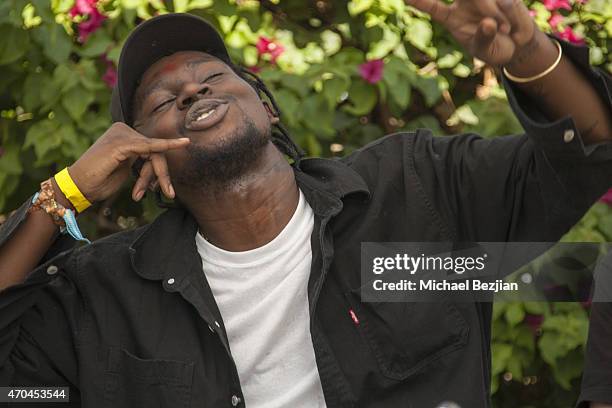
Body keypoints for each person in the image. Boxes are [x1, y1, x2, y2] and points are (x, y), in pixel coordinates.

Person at [0, 0, 610, 406]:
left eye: (212, 76)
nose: (191, 89)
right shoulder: (101, 296)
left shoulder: (413, 186)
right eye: (163, 102)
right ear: (146, 160)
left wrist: (530, 52)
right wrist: (65, 192)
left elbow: (590, 150)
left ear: (266, 105)